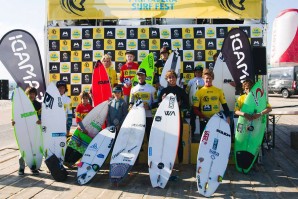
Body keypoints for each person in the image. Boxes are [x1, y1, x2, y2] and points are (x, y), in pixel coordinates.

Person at [234, 79, 272, 171]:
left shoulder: (259, 97)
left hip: (257, 122)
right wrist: (244, 114)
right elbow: (236, 111)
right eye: (246, 89)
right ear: (244, 89)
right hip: (244, 123)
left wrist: (260, 114)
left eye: (250, 89)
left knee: (254, 142)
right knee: (242, 141)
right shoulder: (241, 98)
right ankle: (241, 162)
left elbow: (269, 108)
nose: (248, 91)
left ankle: (254, 163)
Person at [158, 70, 189, 163]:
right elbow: (157, 104)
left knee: (178, 141)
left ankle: (180, 163)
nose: (171, 79)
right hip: (166, 120)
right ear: (167, 79)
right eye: (169, 77)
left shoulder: (181, 91)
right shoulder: (163, 91)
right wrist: (162, 102)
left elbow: (187, 105)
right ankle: (165, 162)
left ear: (176, 78)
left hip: (177, 120)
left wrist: (179, 105)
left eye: (173, 77)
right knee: (166, 141)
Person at [12, 87, 41, 175]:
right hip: (23, 129)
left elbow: (40, 115)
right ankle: (21, 168)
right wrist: (13, 121)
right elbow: (16, 114)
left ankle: (33, 167)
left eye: (33, 94)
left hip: (33, 129)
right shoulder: (21, 104)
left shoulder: (38, 104)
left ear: (35, 95)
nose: (31, 95)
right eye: (30, 93)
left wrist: (40, 120)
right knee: (23, 148)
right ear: (26, 94)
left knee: (34, 148)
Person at [193, 69, 231, 135]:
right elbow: (195, 109)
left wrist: (227, 117)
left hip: (216, 119)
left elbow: (225, 106)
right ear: (203, 78)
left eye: (210, 78)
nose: (208, 80)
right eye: (206, 78)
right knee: (204, 141)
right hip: (204, 120)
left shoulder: (219, 91)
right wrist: (204, 117)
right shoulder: (198, 92)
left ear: (212, 78)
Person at [129, 68, 158, 140]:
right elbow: (131, 102)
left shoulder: (152, 89)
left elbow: (156, 103)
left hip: (148, 116)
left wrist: (149, 107)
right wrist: (130, 107)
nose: (140, 77)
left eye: (142, 75)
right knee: (137, 137)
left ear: (145, 76)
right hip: (137, 117)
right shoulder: (133, 89)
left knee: (149, 136)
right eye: (138, 75)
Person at [186, 66, 205, 138]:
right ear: (194, 72)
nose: (198, 73)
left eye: (199, 72)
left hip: (201, 103)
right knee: (192, 119)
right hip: (193, 104)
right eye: (196, 72)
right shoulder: (191, 81)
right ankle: (192, 134)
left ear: (201, 73)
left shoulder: (204, 80)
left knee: (202, 119)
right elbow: (187, 91)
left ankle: (202, 134)